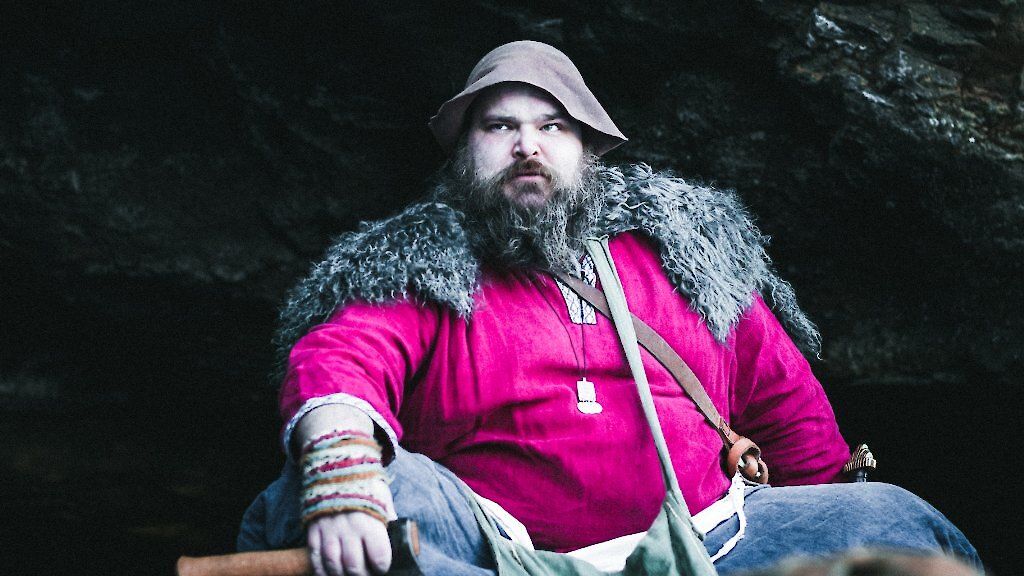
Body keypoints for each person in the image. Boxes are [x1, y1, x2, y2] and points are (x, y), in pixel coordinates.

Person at [238, 41, 980, 576]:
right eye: (499, 127)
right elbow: (341, 358)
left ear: (587, 150)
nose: (527, 146)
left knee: (888, 517)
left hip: (714, 545)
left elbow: (788, 404)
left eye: (551, 126)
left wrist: (841, 532)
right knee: (354, 490)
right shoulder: (420, 267)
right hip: (496, 551)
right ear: (464, 154)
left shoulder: (687, 255)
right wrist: (343, 477)